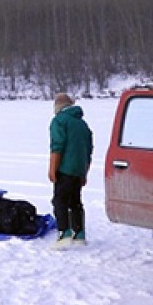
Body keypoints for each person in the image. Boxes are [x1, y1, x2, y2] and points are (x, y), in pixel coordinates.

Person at [48, 93, 94, 250]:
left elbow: (57, 147)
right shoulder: (83, 124)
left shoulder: (59, 121)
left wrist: (52, 169)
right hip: (79, 169)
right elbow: (88, 151)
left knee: (59, 201)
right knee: (75, 202)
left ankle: (64, 233)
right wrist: (84, 173)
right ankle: (79, 234)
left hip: (65, 168)